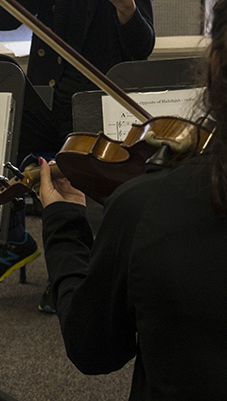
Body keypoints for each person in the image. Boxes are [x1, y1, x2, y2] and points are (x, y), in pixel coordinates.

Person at [36, 1, 227, 397]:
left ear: (214, 66)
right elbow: (6, 19)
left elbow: (92, 348)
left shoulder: (146, 208)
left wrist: (64, 224)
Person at [0, 0, 155, 313]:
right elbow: (4, 21)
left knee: (74, 171)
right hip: (45, 94)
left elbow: (142, 47)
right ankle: (15, 241)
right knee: (1, 134)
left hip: (93, 100)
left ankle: (69, 269)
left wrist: (127, 11)